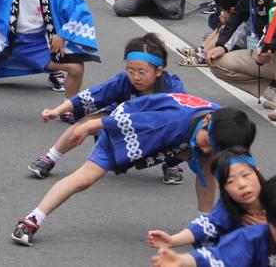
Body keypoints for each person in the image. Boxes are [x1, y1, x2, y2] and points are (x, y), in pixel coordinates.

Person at [12, 96, 256, 247]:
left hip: (175, 138)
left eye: (215, 146)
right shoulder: (173, 122)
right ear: (207, 121)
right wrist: (90, 126)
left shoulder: (226, 126)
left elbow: (246, 168)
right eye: (207, 140)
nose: (207, 147)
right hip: (129, 123)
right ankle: (33, 219)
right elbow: (135, 122)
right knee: (86, 178)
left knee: (208, 168)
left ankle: (204, 225)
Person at [27, 34, 186, 181]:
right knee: (86, 123)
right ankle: (50, 157)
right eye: (131, 70)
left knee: (185, 128)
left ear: (158, 71)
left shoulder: (173, 89)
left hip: (158, 126)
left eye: (142, 72)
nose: (136, 77)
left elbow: (186, 117)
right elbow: (90, 96)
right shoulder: (123, 81)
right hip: (122, 119)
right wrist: (56, 111)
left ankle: (172, 164)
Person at [150, 170, 276, 267]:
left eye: (245, 175)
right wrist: (181, 260)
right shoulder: (254, 236)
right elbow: (219, 254)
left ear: (258, 172)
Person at [147, 148, 265, 251]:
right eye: (230, 181)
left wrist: (270, 226)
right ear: (224, 190)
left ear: (258, 172)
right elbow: (205, 225)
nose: (242, 185)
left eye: (246, 175)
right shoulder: (227, 208)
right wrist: (172, 240)